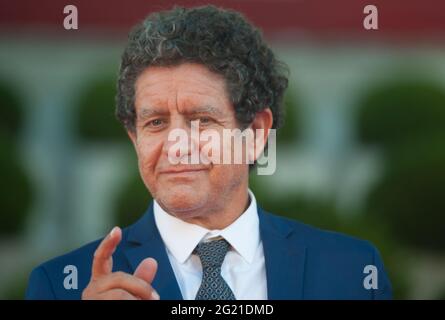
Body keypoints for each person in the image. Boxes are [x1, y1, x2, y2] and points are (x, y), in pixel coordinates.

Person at [26, 5, 392, 300]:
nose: (176, 144)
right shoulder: (60, 288)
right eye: (155, 123)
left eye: (200, 120)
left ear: (257, 132)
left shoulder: (353, 272)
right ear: (134, 137)